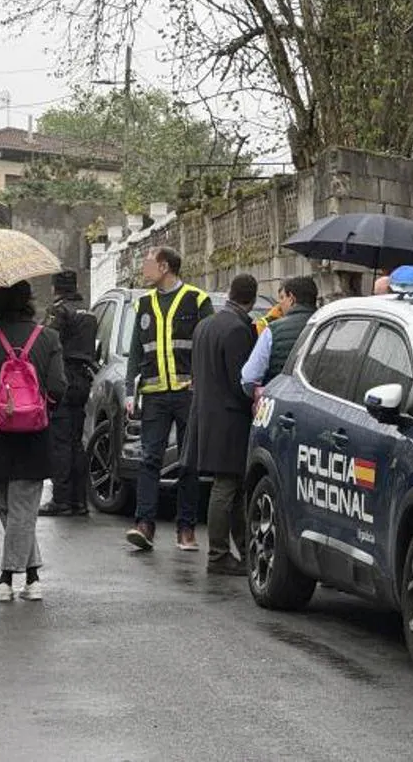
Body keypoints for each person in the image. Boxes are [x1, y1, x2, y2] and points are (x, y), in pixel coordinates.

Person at [0, 281, 66, 602]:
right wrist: (39, 406)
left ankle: (7, 578)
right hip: (34, 433)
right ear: (29, 301)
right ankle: (31, 577)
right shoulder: (48, 337)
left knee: (9, 506)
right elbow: (58, 385)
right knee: (22, 510)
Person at [123, 246, 214, 552]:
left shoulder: (197, 300)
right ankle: (144, 525)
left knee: (188, 463)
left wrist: (202, 384)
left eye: (148, 263)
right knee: (150, 459)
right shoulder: (144, 303)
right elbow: (137, 350)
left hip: (188, 393)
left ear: (163, 267)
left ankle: (185, 529)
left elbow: (208, 345)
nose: (144, 269)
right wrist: (128, 391)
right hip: (154, 394)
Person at [182, 274, 259, 575]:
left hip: (205, 415)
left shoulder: (205, 325)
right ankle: (218, 553)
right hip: (230, 420)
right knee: (225, 487)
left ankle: (242, 549)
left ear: (230, 292)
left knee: (232, 487)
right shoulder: (239, 329)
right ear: (251, 299)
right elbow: (242, 381)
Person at [41, 269, 98, 517]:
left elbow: (48, 342)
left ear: (56, 288)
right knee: (76, 441)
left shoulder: (59, 311)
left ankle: (61, 499)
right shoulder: (89, 312)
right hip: (83, 379)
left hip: (64, 376)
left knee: (60, 442)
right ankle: (80, 500)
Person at [241, 276, 318, 395]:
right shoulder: (329, 325)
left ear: (291, 298)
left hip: (282, 402)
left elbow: (249, 378)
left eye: (282, 298)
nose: (280, 304)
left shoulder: (273, 330)